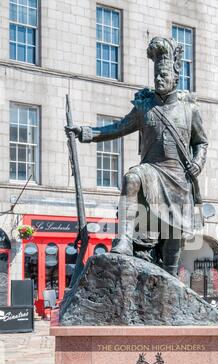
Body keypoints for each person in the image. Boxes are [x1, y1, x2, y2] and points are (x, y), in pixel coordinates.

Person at [66, 37, 208, 276]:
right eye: (156, 76)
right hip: (151, 169)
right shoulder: (144, 106)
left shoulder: (189, 109)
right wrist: (87, 132)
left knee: (172, 235)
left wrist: (197, 162)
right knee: (132, 177)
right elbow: (119, 127)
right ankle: (124, 239)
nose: (159, 79)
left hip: (178, 177)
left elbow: (201, 142)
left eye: (164, 75)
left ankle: (170, 276)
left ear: (175, 77)